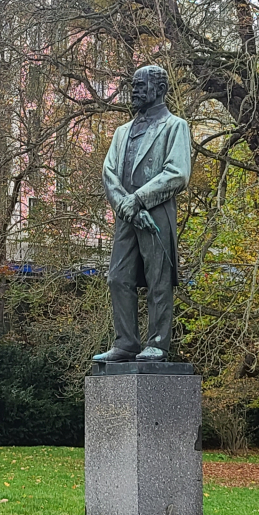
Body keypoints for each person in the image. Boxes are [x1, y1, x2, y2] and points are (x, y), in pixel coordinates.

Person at [93, 65, 193, 362]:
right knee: (117, 278)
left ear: (159, 89)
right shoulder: (122, 132)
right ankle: (126, 342)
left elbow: (177, 173)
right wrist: (127, 205)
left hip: (157, 213)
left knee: (157, 279)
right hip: (126, 215)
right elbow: (109, 172)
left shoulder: (175, 126)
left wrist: (138, 200)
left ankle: (158, 343)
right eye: (133, 84)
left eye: (140, 85)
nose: (134, 90)